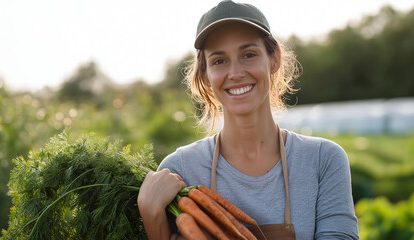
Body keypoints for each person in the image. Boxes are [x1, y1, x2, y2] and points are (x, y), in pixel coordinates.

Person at [137, 0, 359, 239]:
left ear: (274, 60)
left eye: (249, 54)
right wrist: (152, 215)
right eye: (219, 61)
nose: (235, 73)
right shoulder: (180, 170)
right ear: (205, 74)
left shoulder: (322, 161)